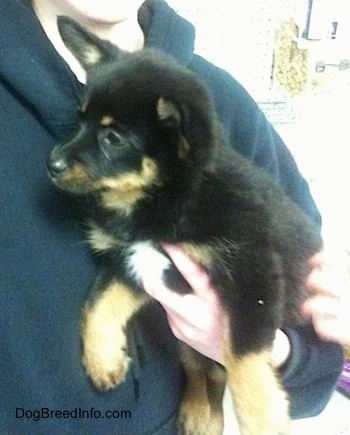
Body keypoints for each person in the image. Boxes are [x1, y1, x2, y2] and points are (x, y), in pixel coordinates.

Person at [0, 0, 344, 433]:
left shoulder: (226, 109)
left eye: (111, 138)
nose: (64, 156)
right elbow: (131, 264)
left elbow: (314, 344)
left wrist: (271, 361)